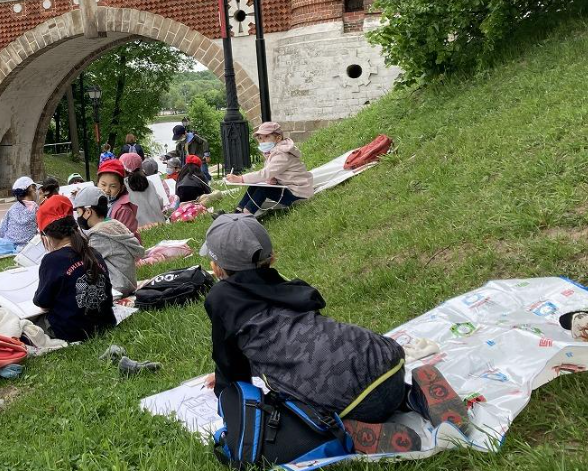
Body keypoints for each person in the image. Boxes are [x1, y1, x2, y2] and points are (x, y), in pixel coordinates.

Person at [201, 214, 468, 454]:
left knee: (288, 409)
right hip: (387, 362)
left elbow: (230, 364)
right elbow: (287, 339)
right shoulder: (288, 288)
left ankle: (349, 432)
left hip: (350, 403)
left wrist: (229, 396)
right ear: (272, 259)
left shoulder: (222, 298)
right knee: (350, 376)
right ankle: (413, 394)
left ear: (216, 268)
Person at [33, 215, 116, 342]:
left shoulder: (52, 260)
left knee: (30, 324)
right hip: (104, 324)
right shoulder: (94, 253)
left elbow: (42, 302)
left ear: (48, 236)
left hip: (72, 331)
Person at [225, 121, 313, 216]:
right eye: (260, 138)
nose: (262, 141)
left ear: (278, 138)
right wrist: (272, 178)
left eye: (266, 137)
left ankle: (246, 215)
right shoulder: (273, 152)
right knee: (255, 186)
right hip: (288, 187)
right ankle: (237, 212)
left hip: (298, 194)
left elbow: (265, 173)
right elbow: (273, 172)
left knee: (264, 190)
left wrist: (240, 178)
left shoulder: (282, 154)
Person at [72, 185, 145, 294]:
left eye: (78, 212)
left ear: (87, 212)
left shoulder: (100, 236)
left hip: (117, 287)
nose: (78, 218)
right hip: (125, 282)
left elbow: (86, 263)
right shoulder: (112, 226)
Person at [95, 158, 139, 240]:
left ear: (121, 188)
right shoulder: (96, 203)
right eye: (103, 185)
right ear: (97, 183)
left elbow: (124, 239)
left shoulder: (124, 210)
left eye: (113, 186)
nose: (107, 190)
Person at [120, 152, 166, 229]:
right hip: (159, 224)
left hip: (138, 228)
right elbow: (160, 202)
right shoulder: (149, 182)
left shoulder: (123, 186)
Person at [0, 176, 39, 247]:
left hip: (9, 243)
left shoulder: (12, 208)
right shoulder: (36, 208)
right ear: (31, 188)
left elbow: (2, 229)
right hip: (27, 245)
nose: (36, 192)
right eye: (35, 188)